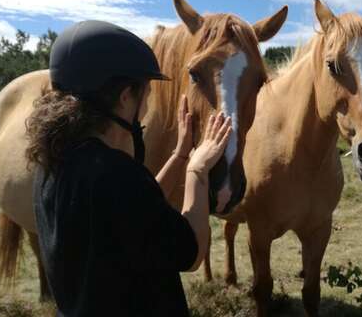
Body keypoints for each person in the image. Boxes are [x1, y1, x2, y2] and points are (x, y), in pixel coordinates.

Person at [26, 20, 231, 316]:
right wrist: (197, 172)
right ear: (125, 97)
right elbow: (193, 253)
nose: (147, 106)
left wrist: (180, 155)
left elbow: (131, 215)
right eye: (146, 94)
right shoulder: (117, 174)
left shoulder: (54, 164)